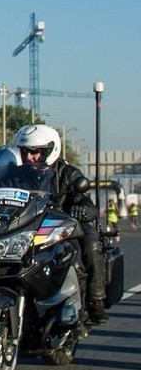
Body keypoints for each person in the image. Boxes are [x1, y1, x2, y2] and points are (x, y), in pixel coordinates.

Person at [13, 124, 108, 324]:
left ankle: (94, 300)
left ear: (50, 150)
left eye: (35, 151)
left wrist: (82, 209)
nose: (29, 157)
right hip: (27, 226)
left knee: (90, 244)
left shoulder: (67, 173)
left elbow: (85, 201)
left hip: (62, 226)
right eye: (25, 151)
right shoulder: (15, 175)